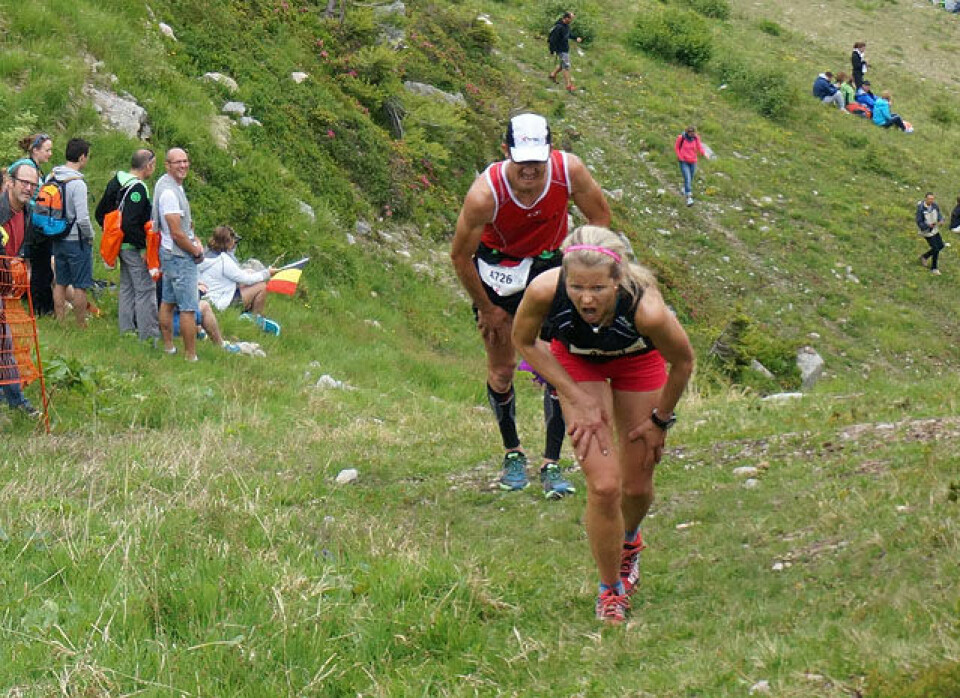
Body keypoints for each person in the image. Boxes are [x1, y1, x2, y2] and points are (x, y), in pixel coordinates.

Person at [512, 226, 695, 623]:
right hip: (577, 362)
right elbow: (523, 341)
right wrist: (573, 396)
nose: (586, 298)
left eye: (597, 288)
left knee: (636, 483)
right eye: (577, 286)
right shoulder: (546, 290)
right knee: (605, 484)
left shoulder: (646, 308)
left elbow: (683, 362)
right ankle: (610, 589)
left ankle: (628, 541)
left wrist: (661, 421)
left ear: (619, 279)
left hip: (636, 360)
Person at [451, 112, 611, 498]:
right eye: (522, 160)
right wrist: (487, 308)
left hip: (550, 265)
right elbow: (459, 256)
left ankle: (552, 462)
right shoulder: (484, 194)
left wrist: (581, 268)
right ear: (506, 151)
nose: (530, 170)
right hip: (497, 269)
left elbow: (600, 217)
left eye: (537, 160)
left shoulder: (569, 171)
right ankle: (512, 452)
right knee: (502, 368)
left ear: (549, 152)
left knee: (557, 361)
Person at [94, 148, 159, 341]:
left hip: (119, 247)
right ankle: (148, 337)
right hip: (133, 247)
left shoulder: (116, 182)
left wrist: (114, 235)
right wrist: (142, 247)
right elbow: (131, 222)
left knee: (127, 288)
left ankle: (127, 331)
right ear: (148, 165)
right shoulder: (138, 189)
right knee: (145, 290)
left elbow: (100, 213)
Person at [154, 147, 204, 361]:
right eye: (177, 162)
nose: (183, 165)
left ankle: (168, 347)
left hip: (167, 253)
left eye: (185, 161)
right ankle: (190, 355)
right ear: (167, 165)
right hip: (179, 256)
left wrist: (195, 238)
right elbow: (176, 232)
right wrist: (195, 251)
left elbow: (183, 227)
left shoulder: (166, 184)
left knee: (168, 301)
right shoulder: (169, 193)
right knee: (188, 308)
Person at [0, 163, 40, 416]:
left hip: (4, 285)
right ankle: (15, 399)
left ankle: (11, 396)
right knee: (4, 341)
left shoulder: (27, 212)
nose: (28, 188)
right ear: (10, 182)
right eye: (23, 182)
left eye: (32, 184)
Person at [197, 225, 280, 334]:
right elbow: (248, 280)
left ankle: (247, 315)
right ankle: (255, 319)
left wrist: (248, 272)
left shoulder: (206, 253)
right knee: (261, 286)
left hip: (208, 296)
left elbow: (233, 276)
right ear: (228, 242)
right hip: (221, 302)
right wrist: (267, 273)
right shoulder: (223, 260)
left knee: (250, 275)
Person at [8, 133, 54, 315]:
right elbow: (26, 198)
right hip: (28, 222)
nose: (50, 154)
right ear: (35, 150)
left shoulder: (34, 169)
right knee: (28, 264)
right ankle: (24, 300)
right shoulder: (25, 167)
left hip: (29, 220)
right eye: (47, 150)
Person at [50, 138, 94, 328]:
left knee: (60, 282)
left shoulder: (52, 177)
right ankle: (80, 324)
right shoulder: (78, 183)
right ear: (82, 157)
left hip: (56, 236)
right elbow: (83, 218)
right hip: (76, 240)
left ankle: (60, 321)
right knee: (79, 285)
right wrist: (90, 236)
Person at [674, 125, 708, 207]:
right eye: (691, 133)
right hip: (684, 161)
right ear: (687, 132)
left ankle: (684, 188)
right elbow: (676, 148)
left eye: (694, 133)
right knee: (687, 177)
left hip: (693, 161)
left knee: (690, 177)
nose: (692, 134)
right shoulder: (681, 138)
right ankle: (689, 198)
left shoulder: (696, 138)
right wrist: (680, 157)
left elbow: (699, 147)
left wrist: (704, 154)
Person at [548, 11, 581, 93]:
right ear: (566, 18)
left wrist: (575, 38)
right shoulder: (559, 27)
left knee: (562, 65)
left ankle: (552, 75)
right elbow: (552, 40)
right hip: (561, 49)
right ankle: (568, 86)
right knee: (566, 66)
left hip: (565, 49)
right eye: (571, 19)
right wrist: (552, 50)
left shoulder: (566, 26)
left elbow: (568, 34)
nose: (572, 20)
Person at [916, 192, 944, 275]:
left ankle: (924, 256)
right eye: (929, 199)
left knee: (941, 245)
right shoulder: (921, 209)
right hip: (926, 231)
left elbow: (938, 214)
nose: (931, 200)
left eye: (932, 199)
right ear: (925, 199)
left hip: (935, 229)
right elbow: (919, 221)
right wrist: (927, 226)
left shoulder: (935, 205)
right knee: (935, 248)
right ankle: (934, 268)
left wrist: (941, 220)